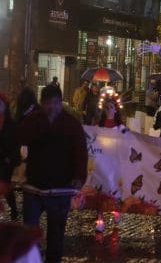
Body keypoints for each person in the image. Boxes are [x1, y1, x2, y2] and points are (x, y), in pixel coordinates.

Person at [16, 85, 88, 263]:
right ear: (42, 104)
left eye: (55, 103)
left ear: (60, 103)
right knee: (29, 234)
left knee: (56, 236)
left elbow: (80, 152)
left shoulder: (71, 124)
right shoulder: (32, 121)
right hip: (34, 186)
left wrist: (78, 177)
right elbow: (19, 142)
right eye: (48, 103)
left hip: (60, 188)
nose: (52, 107)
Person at [0, 92, 20, 220]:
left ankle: (13, 208)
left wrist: (10, 157)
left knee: (5, 183)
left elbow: (15, 143)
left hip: (6, 160)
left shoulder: (10, 124)